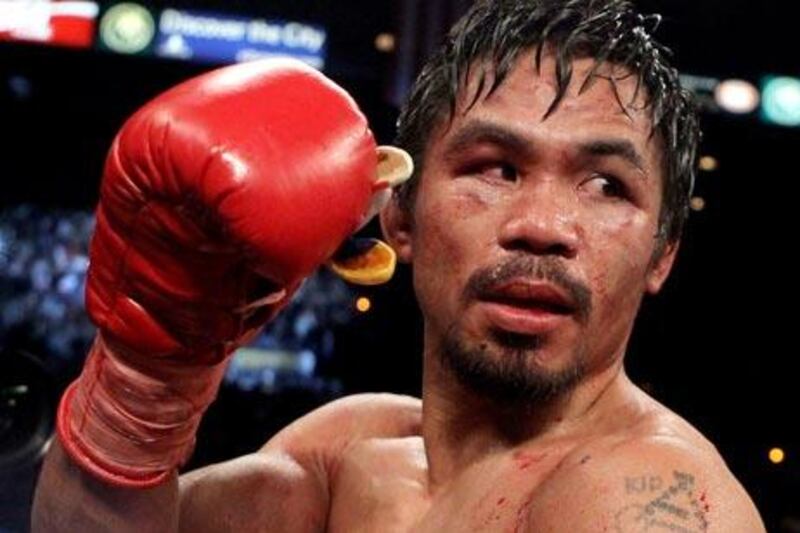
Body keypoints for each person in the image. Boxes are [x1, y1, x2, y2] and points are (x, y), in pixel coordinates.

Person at [33, 0, 766, 531]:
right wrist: (146, 374)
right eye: (496, 168)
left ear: (662, 254)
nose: (543, 227)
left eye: (609, 185)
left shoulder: (640, 499)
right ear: (399, 217)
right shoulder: (346, 450)